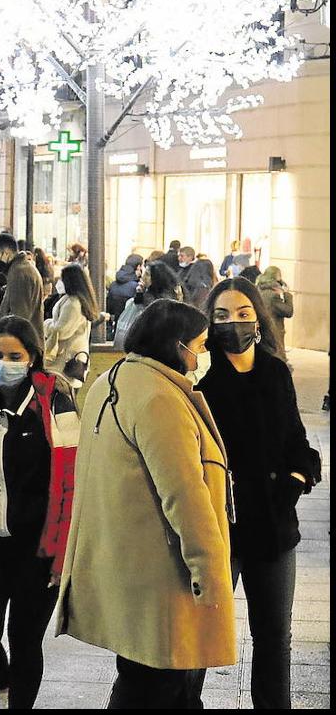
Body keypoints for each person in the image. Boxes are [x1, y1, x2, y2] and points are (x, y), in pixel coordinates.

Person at [58, 300, 236, 709]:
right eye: (200, 344)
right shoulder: (160, 398)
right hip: (163, 576)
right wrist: (209, 573)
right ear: (177, 346)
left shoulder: (112, 382)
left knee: (150, 681)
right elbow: (183, 495)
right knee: (158, 686)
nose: (204, 354)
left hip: (127, 568)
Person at [197, 278, 321, 709]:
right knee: (197, 636)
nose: (234, 323)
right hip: (218, 529)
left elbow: (298, 443)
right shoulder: (200, 378)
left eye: (243, 313)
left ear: (258, 319)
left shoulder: (274, 371)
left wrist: (296, 480)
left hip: (273, 526)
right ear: (209, 323)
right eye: (222, 315)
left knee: (274, 639)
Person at [0, 316, 79, 709]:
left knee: (25, 639)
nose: (3, 362)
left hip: (36, 546)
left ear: (32, 359)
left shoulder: (54, 400)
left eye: (14, 356)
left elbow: (72, 476)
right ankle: (4, 678)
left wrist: (64, 549)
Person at [44, 264, 99, 389]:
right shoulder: (79, 300)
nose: (59, 282)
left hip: (65, 362)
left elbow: (61, 331)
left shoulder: (73, 304)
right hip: (73, 358)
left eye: (62, 279)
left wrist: (46, 324)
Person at [0, 234, 44, 337]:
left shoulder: (19, 273)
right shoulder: (19, 269)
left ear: (7, 254)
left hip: (22, 344)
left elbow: (19, 318)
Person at [113, 260, 182, 350]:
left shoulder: (162, 297)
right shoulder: (150, 292)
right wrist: (139, 293)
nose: (144, 277)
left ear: (157, 278)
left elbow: (151, 311)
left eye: (148, 274)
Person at [255, 266, 294, 354]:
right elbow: (288, 312)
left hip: (262, 332)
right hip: (274, 333)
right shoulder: (273, 295)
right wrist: (287, 294)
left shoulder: (258, 290)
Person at [106, 253, 144, 329]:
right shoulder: (137, 287)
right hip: (131, 327)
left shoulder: (113, 284)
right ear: (138, 267)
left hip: (117, 326)